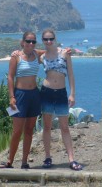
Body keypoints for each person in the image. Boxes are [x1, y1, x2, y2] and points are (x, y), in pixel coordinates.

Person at [40, 28, 83, 171]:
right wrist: (16, 53)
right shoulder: (42, 56)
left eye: (51, 38)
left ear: (55, 38)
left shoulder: (65, 53)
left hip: (61, 93)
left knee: (65, 127)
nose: (48, 41)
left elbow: (71, 74)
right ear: (43, 41)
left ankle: (71, 159)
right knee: (47, 127)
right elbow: (26, 54)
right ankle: (47, 157)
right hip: (46, 92)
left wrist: (73, 94)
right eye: (45, 39)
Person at [0, 31, 42, 169]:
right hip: (19, 96)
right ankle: (10, 161)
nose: (30, 44)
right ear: (22, 42)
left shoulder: (37, 54)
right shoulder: (16, 57)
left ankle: (24, 162)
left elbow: (52, 51)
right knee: (17, 131)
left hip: (34, 95)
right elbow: (10, 77)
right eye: (28, 41)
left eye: (33, 41)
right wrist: (11, 97)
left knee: (29, 130)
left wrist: (65, 51)